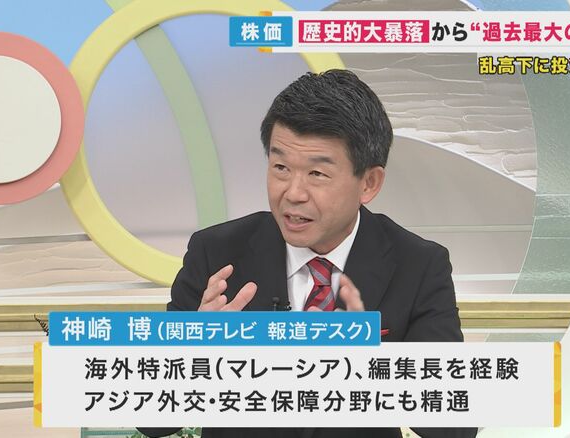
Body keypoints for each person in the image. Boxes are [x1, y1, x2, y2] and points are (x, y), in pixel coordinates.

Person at [139, 70, 476, 438]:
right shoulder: (216, 253)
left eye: (316, 173)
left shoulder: (418, 264)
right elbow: (152, 421)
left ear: (369, 183)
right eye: (280, 167)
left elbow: (455, 428)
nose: (293, 193)